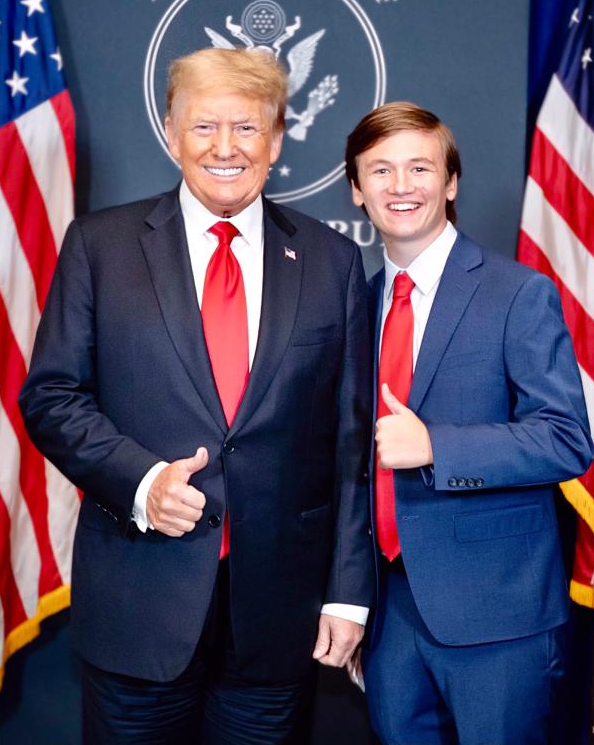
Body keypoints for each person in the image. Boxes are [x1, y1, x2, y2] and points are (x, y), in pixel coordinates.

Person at [19, 48, 374, 744]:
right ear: (171, 133)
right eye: (204, 126)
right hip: (138, 608)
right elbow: (52, 396)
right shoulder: (101, 245)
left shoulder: (333, 260)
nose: (225, 147)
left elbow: (350, 443)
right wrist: (142, 481)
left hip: (277, 620)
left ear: (276, 141)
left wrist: (347, 591)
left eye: (247, 128)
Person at [344, 102, 594, 744]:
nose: (401, 187)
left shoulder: (517, 293)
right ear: (356, 189)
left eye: (420, 168)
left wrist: (435, 446)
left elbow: (566, 441)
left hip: (497, 610)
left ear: (450, 183)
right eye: (381, 171)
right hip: (388, 611)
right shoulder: (356, 305)